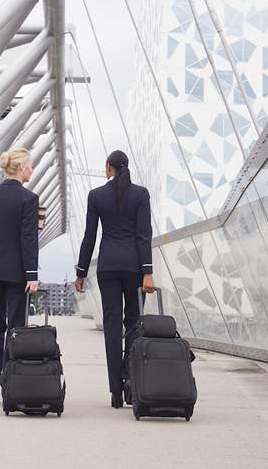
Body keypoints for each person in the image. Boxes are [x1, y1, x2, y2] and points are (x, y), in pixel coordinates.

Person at [74, 150, 155, 409]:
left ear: (109, 168)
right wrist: (148, 272)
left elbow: (89, 237)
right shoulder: (141, 195)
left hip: (108, 266)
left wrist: (81, 272)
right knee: (133, 323)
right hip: (134, 268)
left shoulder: (96, 196)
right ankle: (132, 382)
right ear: (127, 167)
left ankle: (115, 390)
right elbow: (144, 234)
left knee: (111, 327)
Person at [0, 147, 40, 403]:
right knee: (15, 327)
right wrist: (32, 274)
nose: (32, 169)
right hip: (17, 272)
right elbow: (28, 239)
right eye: (30, 165)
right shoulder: (29, 199)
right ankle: (10, 379)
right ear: (20, 167)